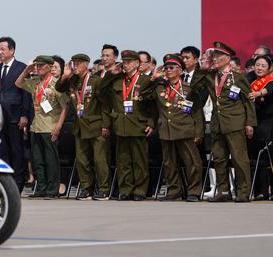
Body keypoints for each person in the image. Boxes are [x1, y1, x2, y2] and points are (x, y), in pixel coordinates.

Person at [202, 41, 257, 202]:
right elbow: (196, 81)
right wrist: (204, 65)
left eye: (218, 55)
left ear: (227, 58)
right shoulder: (210, 76)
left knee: (239, 159)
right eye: (214, 55)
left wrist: (250, 123)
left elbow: (248, 100)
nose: (215, 58)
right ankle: (223, 191)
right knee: (219, 159)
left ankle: (243, 192)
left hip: (235, 122)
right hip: (217, 124)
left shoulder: (238, 77)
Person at [56, 53, 114, 200]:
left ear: (86, 64)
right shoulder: (73, 80)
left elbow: (105, 105)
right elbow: (59, 88)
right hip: (80, 126)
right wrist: (64, 76)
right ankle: (86, 188)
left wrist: (106, 125)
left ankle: (103, 189)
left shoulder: (96, 81)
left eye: (78, 63)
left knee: (99, 160)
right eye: (73, 63)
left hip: (96, 125)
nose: (75, 66)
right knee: (82, 160)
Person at [150, 54, 204, 201]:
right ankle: (174, 191)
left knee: (192, 162)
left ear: (180, 70)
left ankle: (194, 191)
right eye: (166, 68)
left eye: (172, 67)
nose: (168, 70)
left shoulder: (188, 89)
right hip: (166, 130)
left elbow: (197, 112)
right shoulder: (160, 87)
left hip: (184, 130)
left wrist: (199, 133)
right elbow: (144, 95)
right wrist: (153, 78)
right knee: (169, 163)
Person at [15, 55, 69, 199]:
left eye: (41, 66)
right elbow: (18, 83)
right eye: (37, 66)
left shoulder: (56, 84)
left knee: (51, 160)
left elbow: (65, 107)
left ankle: (52, 190)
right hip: (36, 126)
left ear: (49, 67)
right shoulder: (35, 82)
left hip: (50, 126)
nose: (38, 68)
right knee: (37, 160)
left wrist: (58, 127)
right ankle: (41, 188)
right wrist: (26, 71)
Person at [105, 50, 155, 200]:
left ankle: (140, 190)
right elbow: (101, 89)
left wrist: (151, 122)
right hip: (121, 125)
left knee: (139, 161)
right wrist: (110, 74)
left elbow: (153, 105)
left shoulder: (145, 80)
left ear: (137, 63)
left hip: (138, 124)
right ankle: (126, 190)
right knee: (123, 161)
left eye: (128, 62)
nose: (125, 65)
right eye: (124, 62)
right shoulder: (118, 80)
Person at [0, 36, 32, 191]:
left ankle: (18, 183)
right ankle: (5, 183)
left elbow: (26, 93)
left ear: (12, 50)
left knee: (17, 151)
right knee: (2, 151)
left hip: (15, 117)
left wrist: (24, 115)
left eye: (2, 49)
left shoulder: (22, 68)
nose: (0, 52)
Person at [247, 54, 273, 199]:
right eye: (257, 65)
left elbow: (268, 89)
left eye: (263, 66)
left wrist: (258, 93)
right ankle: (256, 191)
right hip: (252, 123)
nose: (259, 68)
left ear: (269, 68)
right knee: (253, 157)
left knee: (265, 158)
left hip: (267, 123)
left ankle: (266, 190)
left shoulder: (270, 80)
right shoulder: (249, 78)